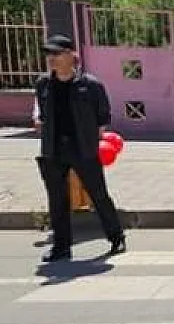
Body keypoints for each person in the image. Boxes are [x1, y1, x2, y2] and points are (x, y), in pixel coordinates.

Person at [34, 34, 126, 262]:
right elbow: (42, 115)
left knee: (98, 194)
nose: (51, 59)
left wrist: (92, 140)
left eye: (56, 54)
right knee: (57, 200)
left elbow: (102, 116)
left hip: (83, 149)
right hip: (53, 150)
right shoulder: (43, 84)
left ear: (70, 55)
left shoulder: (90, 85)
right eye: (49, 55)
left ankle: (116, 236)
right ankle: (61, 247)